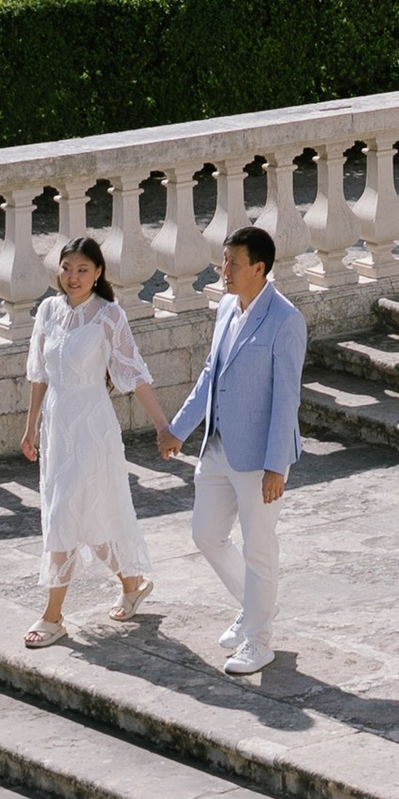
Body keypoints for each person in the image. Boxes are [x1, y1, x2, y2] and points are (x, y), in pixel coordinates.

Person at [18, 237, 181, 649]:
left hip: (92, 427)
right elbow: (39, 374)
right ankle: (133, 584)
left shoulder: (109, 316)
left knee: (64, 512)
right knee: (85, 515)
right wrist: (30, 427)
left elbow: (134, 373)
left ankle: (52, 616)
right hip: (58, 424)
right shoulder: (48, 311)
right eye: (67, 268)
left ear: (98, 274)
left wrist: (163, 427)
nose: (73, 277)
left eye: (83, 270)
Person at [167, 224, 306, 677]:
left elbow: (287, 399)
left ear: (259, 268)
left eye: (233, 262)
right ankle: (255, 607)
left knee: (260, 549)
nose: (223, 269)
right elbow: (212, 373)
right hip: (218, 448)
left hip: (259, 457)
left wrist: (276, 466)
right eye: (223, 260)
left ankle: (259, 641)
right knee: (206, 534)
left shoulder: (286, 321)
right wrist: (179, 430)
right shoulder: (227, 307)